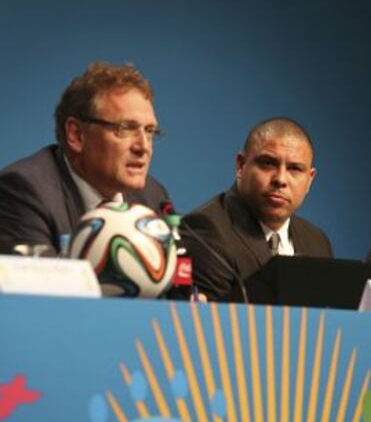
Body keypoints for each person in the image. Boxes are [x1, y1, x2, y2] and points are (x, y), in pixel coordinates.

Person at [0, 61, 169, 255]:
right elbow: (40, 283)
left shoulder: (152, 197)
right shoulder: (25, 191)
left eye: (149, 131)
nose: (144, 147)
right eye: (125, 128)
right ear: (77, 135)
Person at [182, 117, 333, 301]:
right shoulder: (206, 232)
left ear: (309, 180)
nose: (281, 179)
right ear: (240, 165)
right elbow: (213, 325)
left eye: (294, 169)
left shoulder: (317, 242)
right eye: (268, 163)